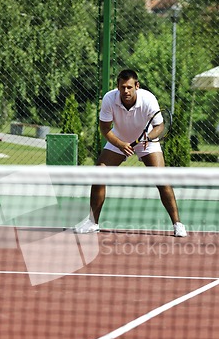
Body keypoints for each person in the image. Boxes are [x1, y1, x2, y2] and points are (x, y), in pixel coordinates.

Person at [75, 69, 187, 237]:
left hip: (146, 141)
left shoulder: (148, 99)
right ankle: (92, 222)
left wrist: (148, 137)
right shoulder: (109, 99)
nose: (126, 91)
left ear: (137, 86)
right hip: (119, 139)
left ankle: (178, 224)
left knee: (162, 179)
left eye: (129, 87)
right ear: (117, 87)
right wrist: (120, 144)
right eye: (122, 87)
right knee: (99, 173)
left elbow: (160, 126)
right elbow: (105, 129)